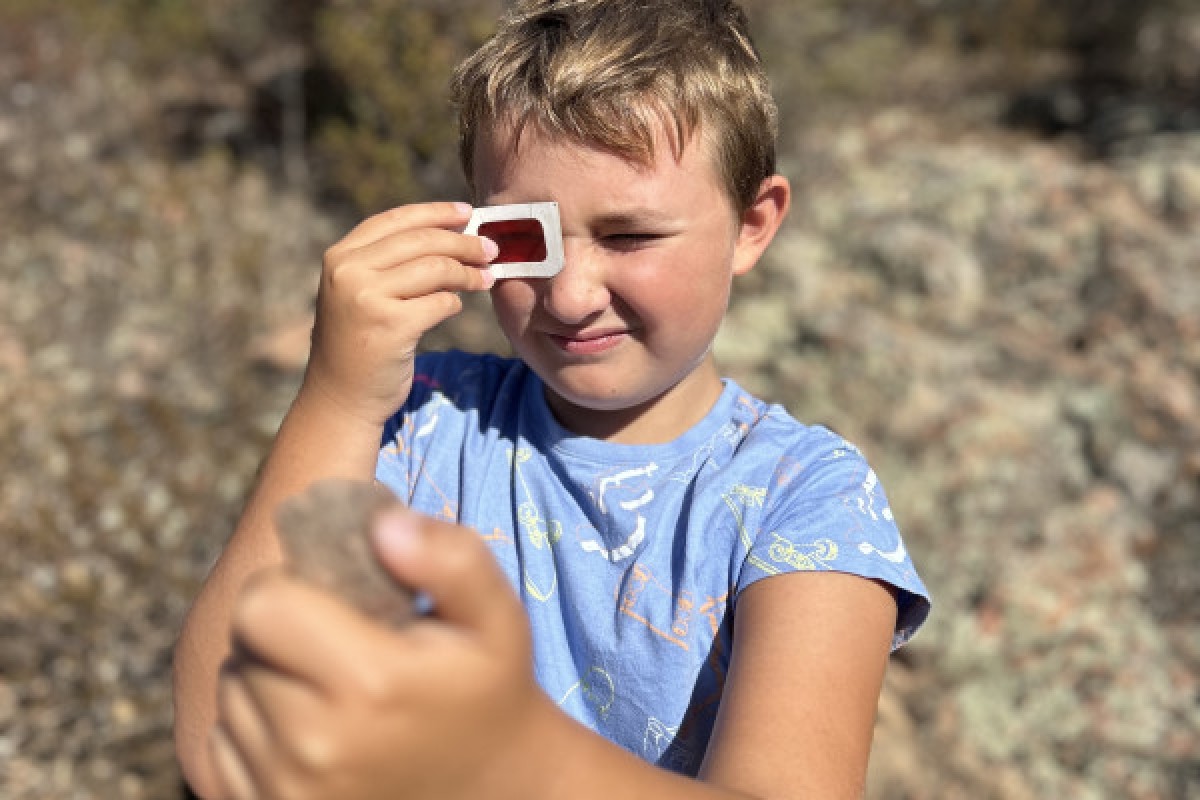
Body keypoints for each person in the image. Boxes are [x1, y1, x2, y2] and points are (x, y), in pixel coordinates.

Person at [173, 1, 931, 798]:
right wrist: (336, 399)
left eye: (629, 237)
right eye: (525, 239)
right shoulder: (415, 420)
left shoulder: (806, 499)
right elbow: (215, 746)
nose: (568, 296)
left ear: (752, 224)